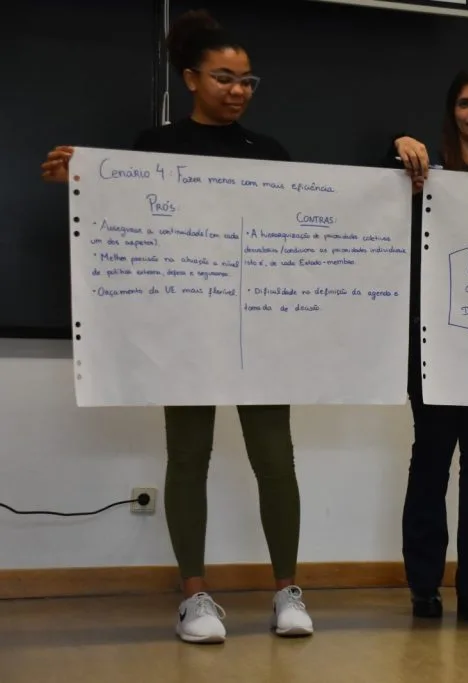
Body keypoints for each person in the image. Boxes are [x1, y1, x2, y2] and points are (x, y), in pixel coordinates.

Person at [40, 10, 312, 644]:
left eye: (248, 80)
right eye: (225, 78)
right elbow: (125, 219)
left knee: (276, 459)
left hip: (258, 332)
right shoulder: (156, 148)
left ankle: (287, 592)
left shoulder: (270, 154)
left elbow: (304, 224)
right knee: (189, 457)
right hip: (185, 331)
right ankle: (195, 597)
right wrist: (80, 182)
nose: (239, 90)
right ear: (191, 78)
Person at [387, 66, 468, 624]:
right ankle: (423, 587)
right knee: (431, 462)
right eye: (465, 104)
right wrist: (398, 146)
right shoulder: (421, 173)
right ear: (452, 113)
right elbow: (367, 193)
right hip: (432, 343)